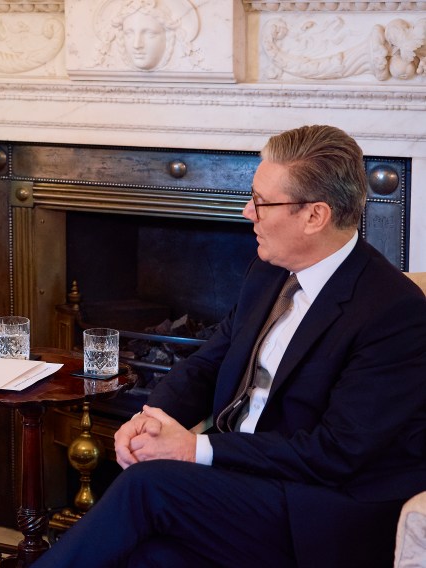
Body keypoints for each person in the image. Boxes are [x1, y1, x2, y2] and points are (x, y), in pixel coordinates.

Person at [33, 124, 426, 568]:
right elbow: (206, 364)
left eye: (261, 202)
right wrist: (152, 421)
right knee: (152, 556)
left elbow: (335, 453)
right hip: (244, 480)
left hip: (320, 506)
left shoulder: (395, 312)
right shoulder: (268, 273)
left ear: (315, 216)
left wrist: (191, 449)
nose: (246, 212)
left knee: (149, 485)